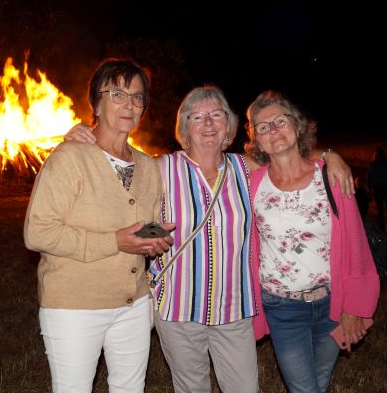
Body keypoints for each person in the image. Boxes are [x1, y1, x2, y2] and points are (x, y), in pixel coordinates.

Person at [65, 85, 354, 393]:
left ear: (229, 126)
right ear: (184, 128)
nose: (208, 123)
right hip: (178, 307)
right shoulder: (161, 167)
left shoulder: (245, 168)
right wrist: (81, 140)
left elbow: (288, 153)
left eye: (217, 115)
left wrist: (330, 155)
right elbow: (115, 176)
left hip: (235, 310)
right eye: (197, 116)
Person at [23, 58, 174, 393]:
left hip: (134, 304)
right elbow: (37, 232)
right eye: (117, 94)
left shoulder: (148, 166)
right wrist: (115, 241)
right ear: (95, 102)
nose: (129, 104)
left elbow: (141, 223)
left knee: (130, 388)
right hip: (75, 305)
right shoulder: (70, 157)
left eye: (137, 97)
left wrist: (154, 237)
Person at [245, 90, 380, 393]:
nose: (273, 130)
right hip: (282, 307)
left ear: (297, 125)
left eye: (280, 121)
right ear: (257, 140)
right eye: (263, 127)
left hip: (332, 303)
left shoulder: (331, 177)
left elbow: (356, 245)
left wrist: (352, 305)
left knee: (319, 381)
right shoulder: (252, 184)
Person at [367, 147, 387, 230]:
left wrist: (370, 190)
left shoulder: (372, 165)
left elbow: (369, 178)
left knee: (380, 208)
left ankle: (381, 225)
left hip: (378, 188)